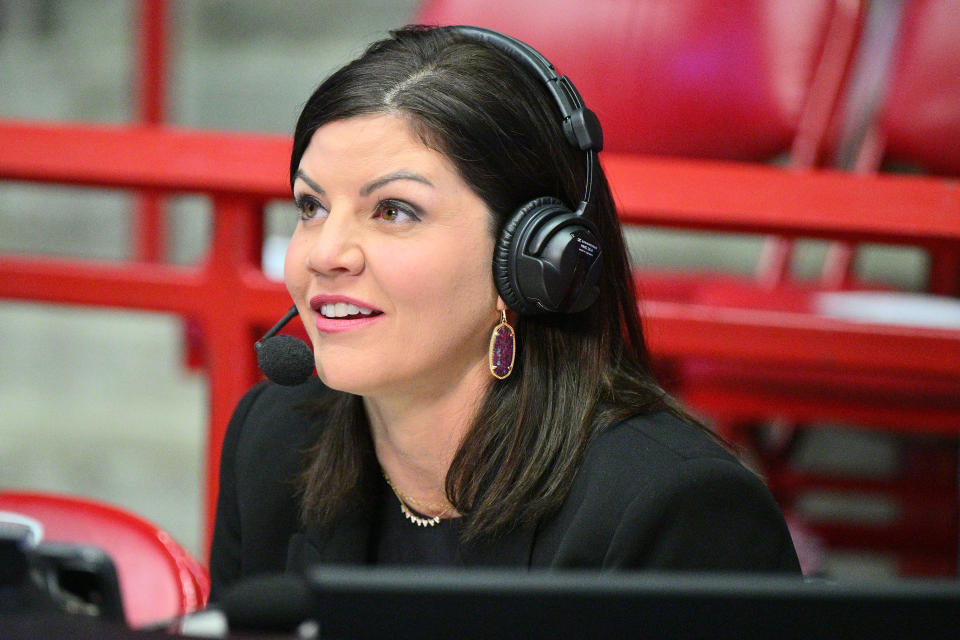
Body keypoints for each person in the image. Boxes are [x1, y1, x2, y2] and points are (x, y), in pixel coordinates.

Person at [209, 24, 800, 599]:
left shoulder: (672, 507)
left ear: (527, 258)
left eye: (393, 211)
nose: (325, 253)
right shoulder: (273, 438)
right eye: (311, 206)